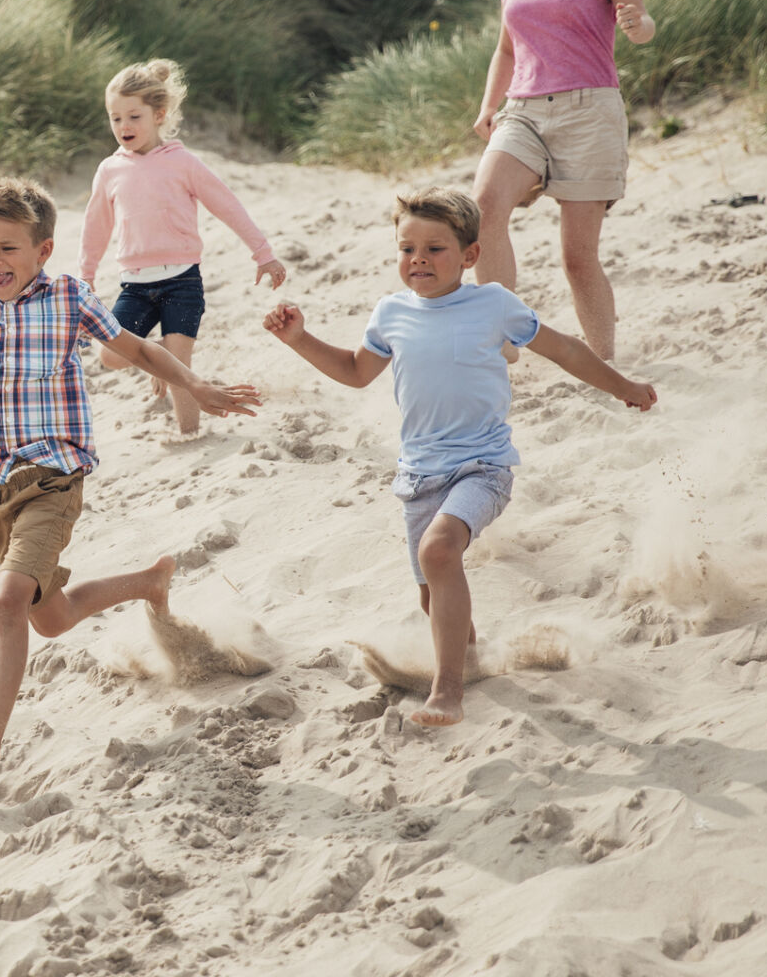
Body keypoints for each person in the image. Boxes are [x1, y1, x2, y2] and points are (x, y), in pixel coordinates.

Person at [0, 176, 264, 785]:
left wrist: (193, 384)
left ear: (42, 250)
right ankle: (149, 582)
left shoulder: (67, 298)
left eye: (8, 248)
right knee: (51, 617)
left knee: (5, 606)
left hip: (55, 479)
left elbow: (141, 352)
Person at [262, 187, 655, 726]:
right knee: (433, 595)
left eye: (435, 248)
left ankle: (448, 692)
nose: (418, 259)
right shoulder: (391, 313)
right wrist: (300, 341)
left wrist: (622, 385)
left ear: (469, 255)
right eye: (406, 249)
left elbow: (563, 348)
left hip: (482, 466)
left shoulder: (493, 304)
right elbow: (356, 373)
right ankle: (468, 661)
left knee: (440, 552)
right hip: (418, 474)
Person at [472, 0, 655, 362]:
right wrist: (489, 105)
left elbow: (642, 22)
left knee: (577, 257)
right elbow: (506, 50)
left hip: (588, 111)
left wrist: (637, 25)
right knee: (485, 207)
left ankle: (605, 363)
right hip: (523, 110)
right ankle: (501, 347)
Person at [79, 59, 286, 438]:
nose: (123, 127)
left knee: (182, 372)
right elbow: (96, 225)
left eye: (134, 117)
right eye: (115, 118)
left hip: (181, 283)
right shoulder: (110, 170)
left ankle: (189, 434)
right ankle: (157, 354)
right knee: (110, 355)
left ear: (158, 115)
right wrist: (87, 276)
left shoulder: (182, 163)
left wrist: (263, 253)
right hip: (135, 286)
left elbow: (226, 205)